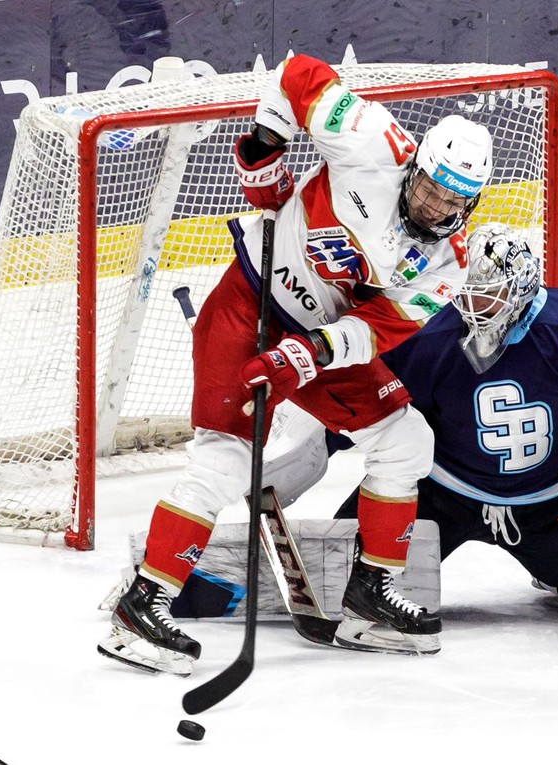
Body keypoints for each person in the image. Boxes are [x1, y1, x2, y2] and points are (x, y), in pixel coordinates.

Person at [98, 53, 493, 674]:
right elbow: (296, 73)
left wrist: (305, 356)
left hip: (317, 342)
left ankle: (368, 601)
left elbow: (379, 328)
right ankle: (142, 606)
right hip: (249, 301)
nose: (433, 206)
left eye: (451, 202)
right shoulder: (371, 141)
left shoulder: (448, 263)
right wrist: (267, 154)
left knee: (406, 440)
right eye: (427, 187)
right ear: (413, 164)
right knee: (225, 461)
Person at [332, 223, 558, 635]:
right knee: (344, 580)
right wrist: (299, 455)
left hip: (550, 504)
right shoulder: (424, 332)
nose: (472, 305)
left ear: (520, 287)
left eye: (487, 293)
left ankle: (556, 565)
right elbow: (357, 412)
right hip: (439, 494)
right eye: (464, 292)